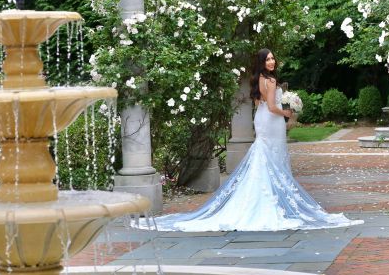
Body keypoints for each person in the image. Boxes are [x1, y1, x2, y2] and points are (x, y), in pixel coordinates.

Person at [145, 49, 363, 231]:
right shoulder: (270, 79)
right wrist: (287, 113)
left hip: (264, 120)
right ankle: (272, 200)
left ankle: (271, 196)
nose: (272, 61)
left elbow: (260, 106)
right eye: (267, 59)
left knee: (267, 156)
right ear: (261, 62)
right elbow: (271, 106)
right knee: (270, 156)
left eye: (272, 58)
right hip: (271, 120)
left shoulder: (261, 79)